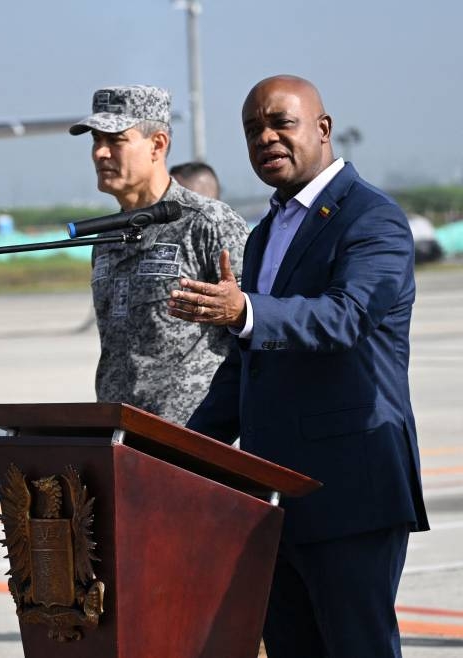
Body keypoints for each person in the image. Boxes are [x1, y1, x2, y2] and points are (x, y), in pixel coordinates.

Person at [168, 75, 428, 657]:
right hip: (274, 499)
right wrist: (173, 452)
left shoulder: (373, 220)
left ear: (322, 128)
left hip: (349, 490)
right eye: (252, 129)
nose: (266, 137)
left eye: (280, 123)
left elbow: (346, 317)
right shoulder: (264, 235)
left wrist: (246, 310)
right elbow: (246, 368)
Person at [69, 85, 249, 425]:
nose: (99, 153)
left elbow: (257, 337)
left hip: (194, 439)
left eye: (115, 140)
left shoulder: (208, 224)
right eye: (96, 140)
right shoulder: (106, 237)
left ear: (158, 144)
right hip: (121, 433)